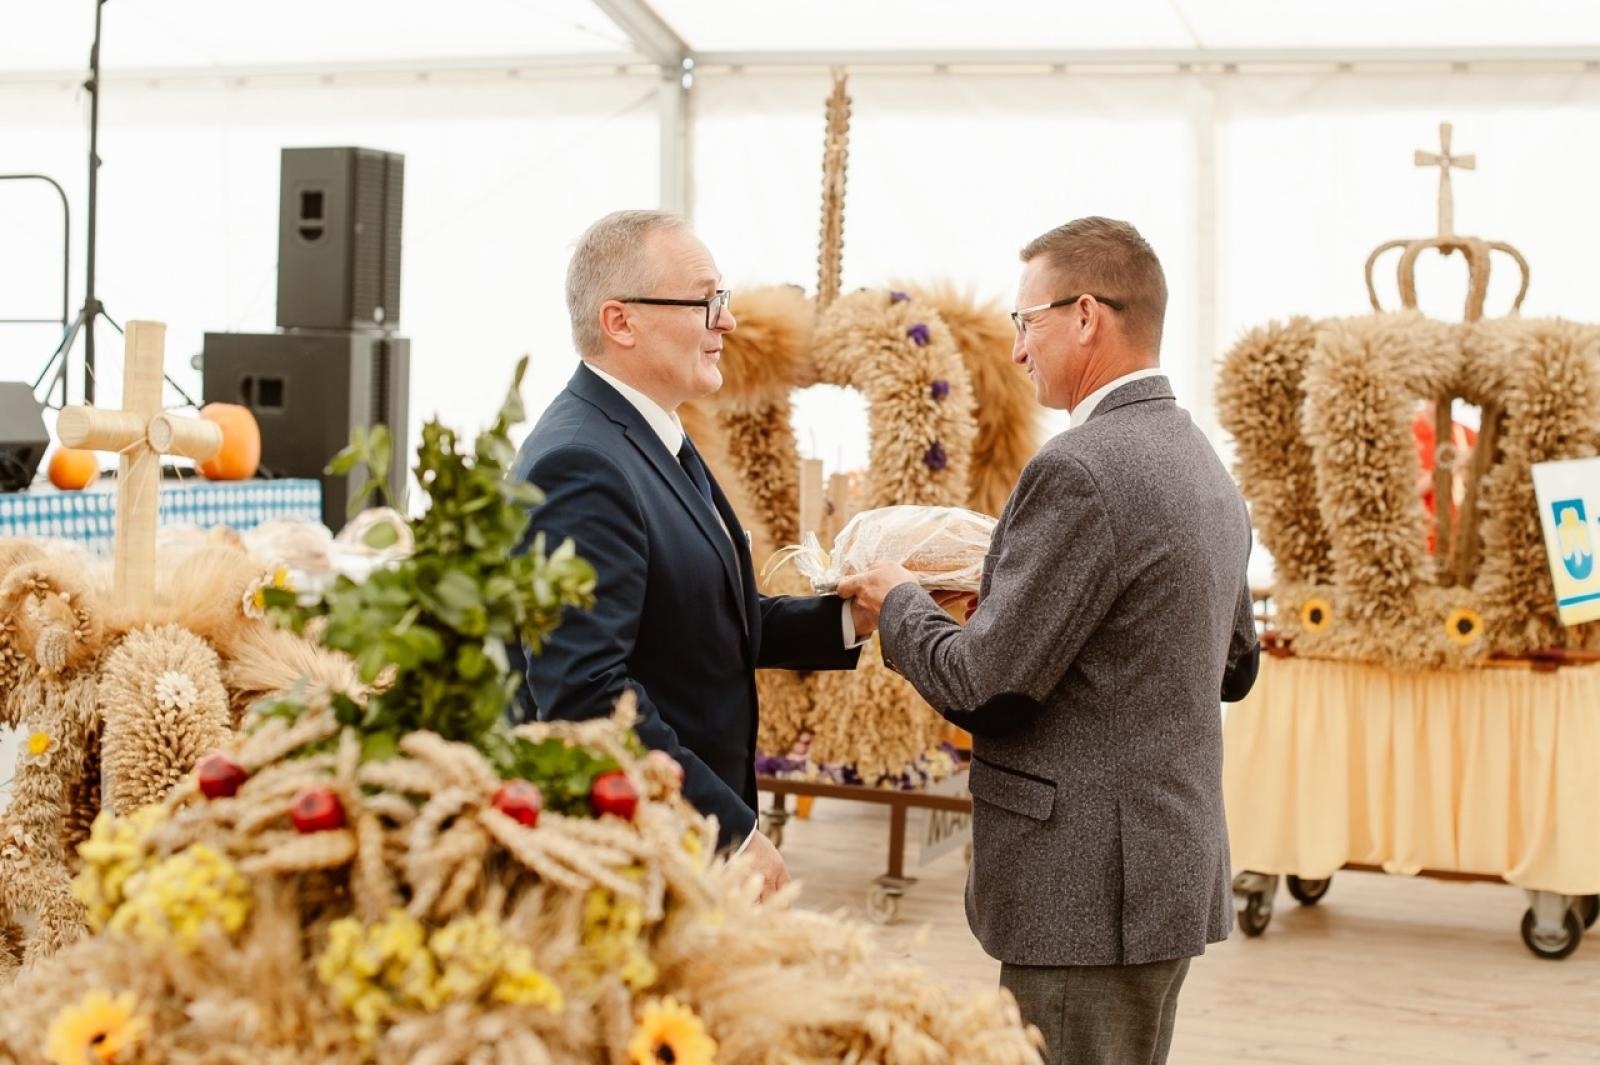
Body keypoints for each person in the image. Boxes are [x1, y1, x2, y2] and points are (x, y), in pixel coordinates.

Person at [840, 217, 1259, 1065]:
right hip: (1162, 868)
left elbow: (983, 685)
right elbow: (1234, 662)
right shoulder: (1198, 458)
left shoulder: (1080, 468)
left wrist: (901, 602)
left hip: (1085, 893)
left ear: (1086, 316)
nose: (1019, 350)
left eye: (1024, 321)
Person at [512, 209, 868, 898]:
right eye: (705, 301)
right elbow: (585, 690)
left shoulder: (647, 432)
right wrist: (726, 827)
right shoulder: (583, 463)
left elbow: (703, 617)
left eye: (722, 299)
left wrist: (855, 616)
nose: (726, 322)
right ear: (621, 322)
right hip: (633, 853)